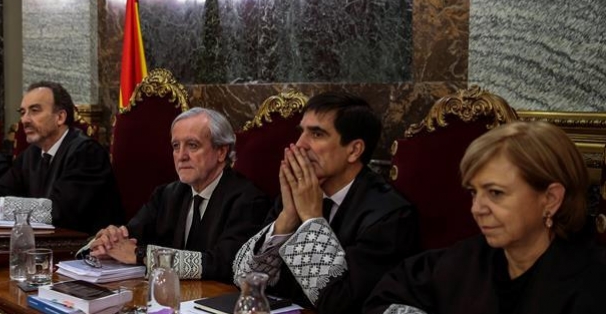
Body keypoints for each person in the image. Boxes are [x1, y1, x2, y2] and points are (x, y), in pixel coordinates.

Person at [364, 121, 606, 314]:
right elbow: (388, 296)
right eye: (473, 192)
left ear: (551, 199)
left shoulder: (592, 282)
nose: (477, 208)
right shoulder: (464, 260)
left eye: (496, 193)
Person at [233, 92, 419, 313]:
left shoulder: (390, 215)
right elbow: (244, 280)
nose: (300, 145)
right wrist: (286, 219)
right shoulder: (297, 194)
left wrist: (311, 219)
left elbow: (342, 304)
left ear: (354, 150)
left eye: (317, 134)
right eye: (301, 132)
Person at [86, 108, 271, 282]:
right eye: (176, 146)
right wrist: (107, 242)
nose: (181, 156)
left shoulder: (248, 200)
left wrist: (140, 254)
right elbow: (130, 235)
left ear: (221, 152)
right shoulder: (166, 195)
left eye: (192, 145)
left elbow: (224, 264)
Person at [0, 81, 123, 234]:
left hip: (85, 250)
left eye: (34, 111)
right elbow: (3, 189)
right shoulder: (31, 154)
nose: (24, 120)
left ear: (60, 117)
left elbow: (58, 211)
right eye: (23, 112)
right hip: (44, 243)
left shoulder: (86, 153)